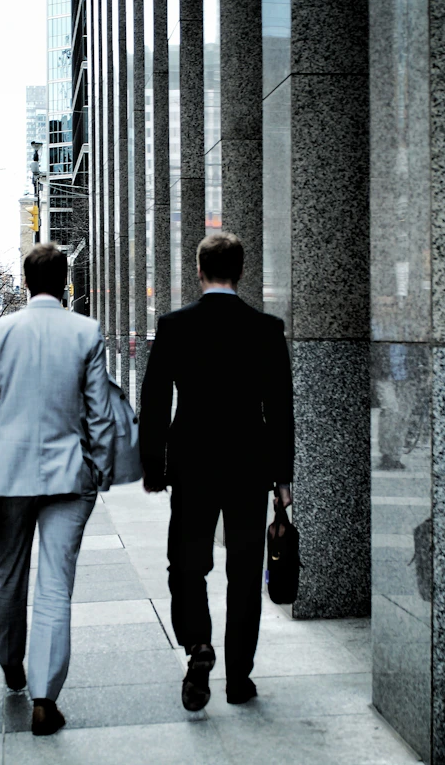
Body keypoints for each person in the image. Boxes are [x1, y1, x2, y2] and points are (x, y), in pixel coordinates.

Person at [0, 244, 114, 736]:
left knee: (8, 571)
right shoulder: (86, 331)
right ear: (65, 283)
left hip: (8, 475)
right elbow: (99, 413)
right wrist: (102, 467)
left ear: (26, 280)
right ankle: (44, 696)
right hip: (71, 476)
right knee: (56, 583)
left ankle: (12, 663)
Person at [140, 232, 294, 711]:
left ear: (199, 271)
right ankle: (239, 678)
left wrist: (153, 465)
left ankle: (198, 644)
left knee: (187, 563)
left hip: (192, 462)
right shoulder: (266, 329)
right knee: (245, 571)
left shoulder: (174, 326)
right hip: (249, 465)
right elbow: (280, 411)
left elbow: (154, 401)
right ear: (242, 272)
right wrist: (283, 478)